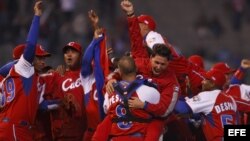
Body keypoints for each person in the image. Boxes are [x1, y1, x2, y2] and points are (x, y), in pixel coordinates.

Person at [0, 1, 44, 140]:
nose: (42, 61)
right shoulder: (24, 68)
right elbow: (30, 46)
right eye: (38, 57)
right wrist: (37, 16)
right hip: (15, 127)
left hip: (10, 126)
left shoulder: (8, 77)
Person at [94, 56, 160, 141]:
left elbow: (106, 110)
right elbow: (160, 111)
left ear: (120, 72)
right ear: (136, 69)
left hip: (116, 138)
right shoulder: (149, 91)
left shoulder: (109, 91)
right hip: (137, 138)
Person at [174, 69, 239, 141]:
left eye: (205, 80)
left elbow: (181, 109)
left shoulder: (209, 95)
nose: (202, 82)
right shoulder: (231, 99)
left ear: (212, 83)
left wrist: (166, 96)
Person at [80, 10, 109, 141]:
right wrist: (94, 40)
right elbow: (86, 60)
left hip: (107, 133)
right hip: (91, 134)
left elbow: (101, 54)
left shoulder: (112, 79)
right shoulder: (87, 79)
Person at [49, 42, 87, 140]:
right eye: (66, 52)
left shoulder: (87, 74)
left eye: (73, 52)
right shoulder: (59, 75)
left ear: (81, 55)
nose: (69, 54)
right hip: (65, 134)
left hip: (85, 132)